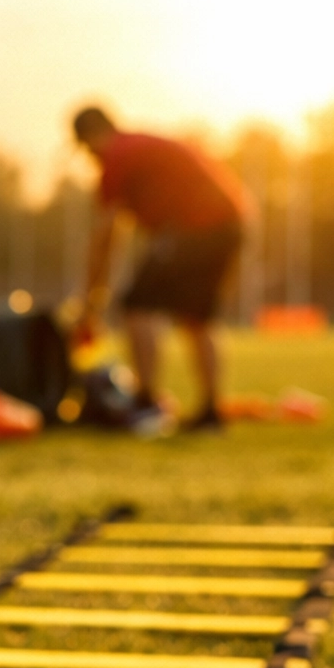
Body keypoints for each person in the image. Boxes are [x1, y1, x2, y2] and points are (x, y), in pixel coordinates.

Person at [71, 106, 249, 435]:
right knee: (198, 316)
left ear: (91, 138)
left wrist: (91, 299)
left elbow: (107, 234)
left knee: (138, 305)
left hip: (196, 226)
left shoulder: (116, 156)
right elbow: (120, 232)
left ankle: (145, 401)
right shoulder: (139, 145)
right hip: (230, 223)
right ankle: (211, 412)